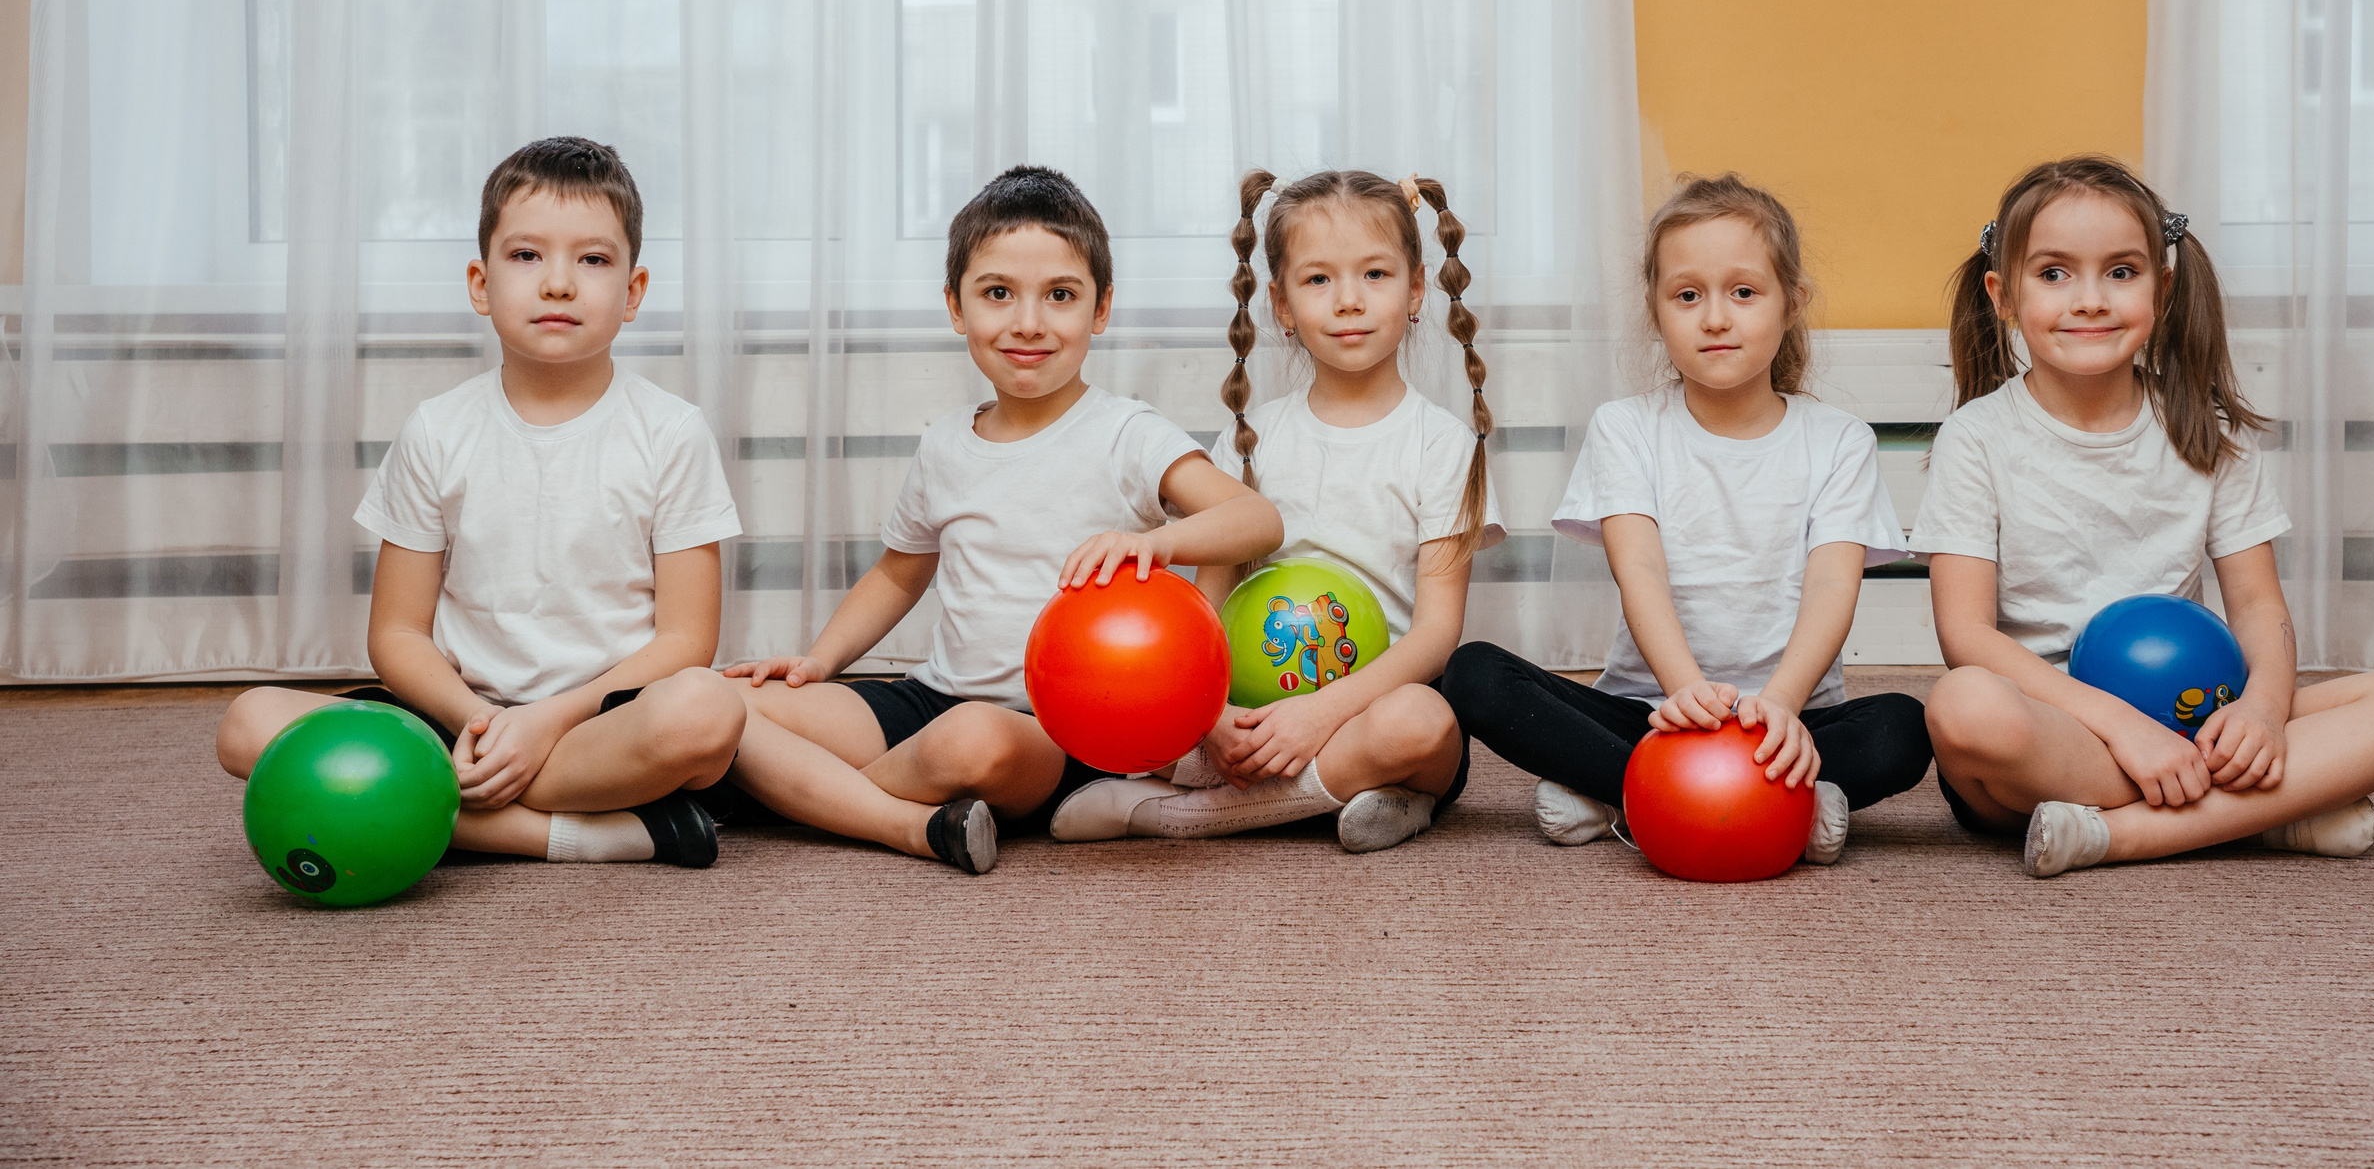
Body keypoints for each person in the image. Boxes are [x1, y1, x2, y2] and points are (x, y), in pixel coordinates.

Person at [718, 165, 1284, 871]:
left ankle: (814, 797)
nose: (1028, 322)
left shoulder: (1127, 432)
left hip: (1049, 731)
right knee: (725, 700)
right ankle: (859, 799)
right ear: (955, 307)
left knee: (971, 743)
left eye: (1060, 295)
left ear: (1101, 308)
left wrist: (1156, 543)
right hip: (931, 698)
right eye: (997, 293)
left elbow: (1256, 519)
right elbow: (897, 575)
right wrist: (819, 662)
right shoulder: (944, 443)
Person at [1915, 155, 2374, 877]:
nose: (2090, 300)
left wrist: (2262, 711)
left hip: (2196, 713)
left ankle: (2118, 834)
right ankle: (2261, 814)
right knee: (1963, 706)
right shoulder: (1977, 438)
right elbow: (1966, 634)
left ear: (2163, 288)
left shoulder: (2207, 431)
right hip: (2055, 731)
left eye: (2121, 271)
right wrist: (2123, 727)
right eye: (2053, 274)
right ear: (2003, 294)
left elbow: (2259, 606)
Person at [213, 138, 749, 868]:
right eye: (526, 255)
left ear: (632, 292)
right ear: (480, 282)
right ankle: (589, 833)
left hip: (599, 722)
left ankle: (440, 806)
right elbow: (397, 633)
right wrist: (482, 724)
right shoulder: (437, 429)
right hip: (460, 718)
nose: (557, 283)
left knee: (706, 712)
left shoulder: (672, 432)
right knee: (249, 725)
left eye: (592, 260)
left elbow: (687, 641)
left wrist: (543, 725)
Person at [1442, 173, 1933, 865]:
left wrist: (1782, 703)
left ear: (1792, 302)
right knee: (1474, 674)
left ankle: (1640, 792)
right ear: (1657, 309)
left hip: (1787, 719)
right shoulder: (1625, 427)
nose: (1716, 318)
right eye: (1688, 295)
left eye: (1744, 292)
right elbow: (1639, 568)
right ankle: (1724, 794)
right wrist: (1685, 692)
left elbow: (1832, 585)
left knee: (1906, 726)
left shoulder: (1839, 439)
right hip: (1653, 710)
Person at [1048, 169, 1502, 852]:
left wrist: (1318, 714)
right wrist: (1214, 720)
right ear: (1282, 306)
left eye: (1375, 274)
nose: (1348, 300)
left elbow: (1437, 633)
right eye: (1318, 279)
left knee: (1425, 724)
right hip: (1255, 715)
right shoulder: (1248, 439)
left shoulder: (1442, 443)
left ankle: (1185, 815)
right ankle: (1347, 795)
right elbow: (1206, 611)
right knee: (1141, 704)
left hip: (1370, 709)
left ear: (1415, 291)